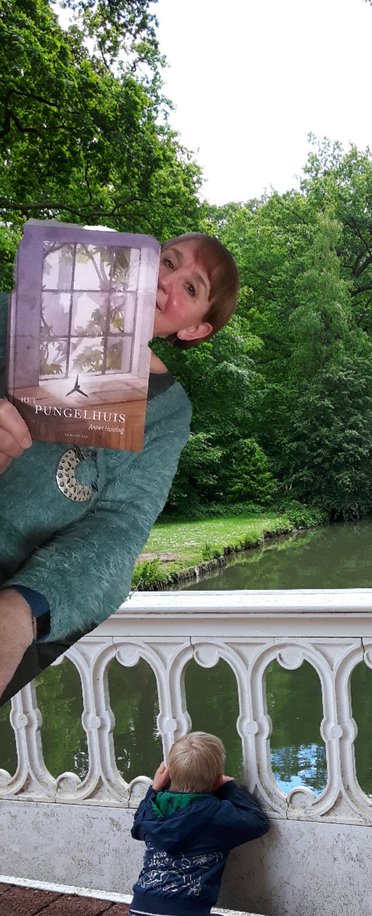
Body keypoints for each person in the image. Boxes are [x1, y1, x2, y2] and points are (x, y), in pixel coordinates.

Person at [0, 232, 240, 704]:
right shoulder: (19, 312)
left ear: (193, 329)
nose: (166, 281)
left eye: (191, 288)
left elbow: (120, 526)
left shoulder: (168, 412)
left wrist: (22, 609)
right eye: (167, 261)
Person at [107, 730, 269, 916]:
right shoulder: (216, 813)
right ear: (216, 779)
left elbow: (137, 826)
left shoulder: (154, 808)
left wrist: (153, 789)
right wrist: (228, 787)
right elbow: (257, 822)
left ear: (169, 774)